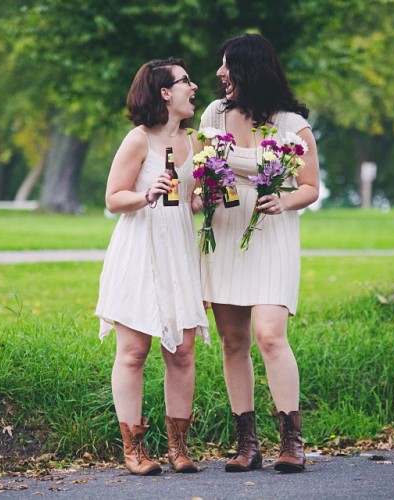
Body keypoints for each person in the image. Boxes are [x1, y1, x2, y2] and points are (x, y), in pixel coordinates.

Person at [199, 34, 320, 473]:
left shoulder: (292, 124)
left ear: (250, 69)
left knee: (270, 335)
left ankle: (293, 439)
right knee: (234, 342)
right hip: (227, 231)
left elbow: (310, 187)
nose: (219, 74)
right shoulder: (214, 114)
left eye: (227, 65)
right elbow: (200, 171)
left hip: (272, 234)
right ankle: (247, 444)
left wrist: (284, 201)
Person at [95, 58, 209, 475]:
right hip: (140, 249)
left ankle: (179, 448)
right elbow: (112, 199)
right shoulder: (139, 140)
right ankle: (133, 450)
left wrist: (203, 200)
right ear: (165, 92)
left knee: (181, 352)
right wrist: (147, 195)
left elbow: (189, 203)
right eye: (185, 82)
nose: (193, 87)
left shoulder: (195, 143)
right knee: (134, 351)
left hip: (178, 250)